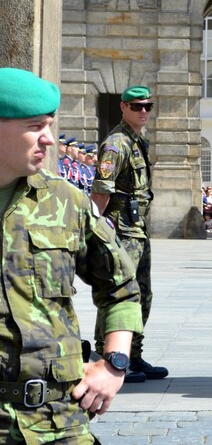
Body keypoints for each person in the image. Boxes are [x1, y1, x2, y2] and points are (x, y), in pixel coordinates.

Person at [0, 68, 143, 444]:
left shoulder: (64, 201)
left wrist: (115, 363)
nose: (48, 139)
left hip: (58, 422)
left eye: (50, 125)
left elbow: (122, 287)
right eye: (35, 126)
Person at [91, 84, 168, 383]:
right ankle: (106, 356)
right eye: (137, 106)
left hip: (136, 231)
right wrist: (96, 230)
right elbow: (101, 191)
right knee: (118, 293)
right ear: (123, 107)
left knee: (142, 295)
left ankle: (133, 355)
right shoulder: (117, 144)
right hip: (119, 232)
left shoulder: (137, 141)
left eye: (148, 106)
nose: (144, 111)